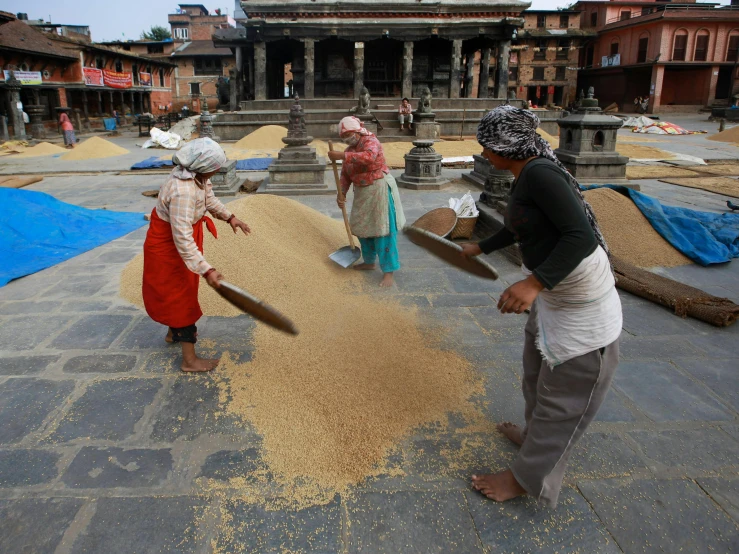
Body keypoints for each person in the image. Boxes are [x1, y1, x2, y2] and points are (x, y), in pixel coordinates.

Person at [460, 105, 622, 508]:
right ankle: (532, 440)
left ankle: (526, 478)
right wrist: (481, 246)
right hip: (555, 297)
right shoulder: (525, 173)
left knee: (563, 399)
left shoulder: (541, 174)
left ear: (504, 146)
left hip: (579, 305)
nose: (483, 153)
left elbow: (579, 237)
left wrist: (533, 283)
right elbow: (520, 225)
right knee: (535, 377)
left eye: (486, 145)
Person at [142, 138, 251, 372]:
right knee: (181, 297)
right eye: (216, 166)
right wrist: (207, 270)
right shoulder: (183, 190)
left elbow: (209, 199)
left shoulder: (197, 177)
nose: (219, 169)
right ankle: (189, 360)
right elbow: (181, 237)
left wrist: (230, 217)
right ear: (204, 166)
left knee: (179, 291)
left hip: (181, 238)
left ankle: (174, 333)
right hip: (168, 246)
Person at [327, 116, 406, 287]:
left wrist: (342, 155)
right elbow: (346, 175)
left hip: (379, 189)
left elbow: (369, 157)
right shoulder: (350, 149)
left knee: (382, 230)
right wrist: (341, 193)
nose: (346, 139)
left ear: (357, 131)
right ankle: (369, 261)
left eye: (348, 135)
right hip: (362, 193)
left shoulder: (371, 141)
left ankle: (388, 271)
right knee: (363, 229)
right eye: (343, 137)